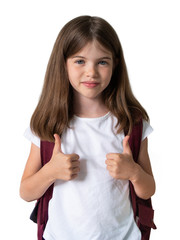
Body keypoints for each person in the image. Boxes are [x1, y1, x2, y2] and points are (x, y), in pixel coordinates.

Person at [20, 15, 156, 240]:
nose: (91, 72)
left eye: (102, 62)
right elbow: (26, 192)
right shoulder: (48, 122)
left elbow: (148, 189)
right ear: (63, 63)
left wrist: (133, 172)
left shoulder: (130, 122)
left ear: (115, 65)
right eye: (80, 61)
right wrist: (51, 172)